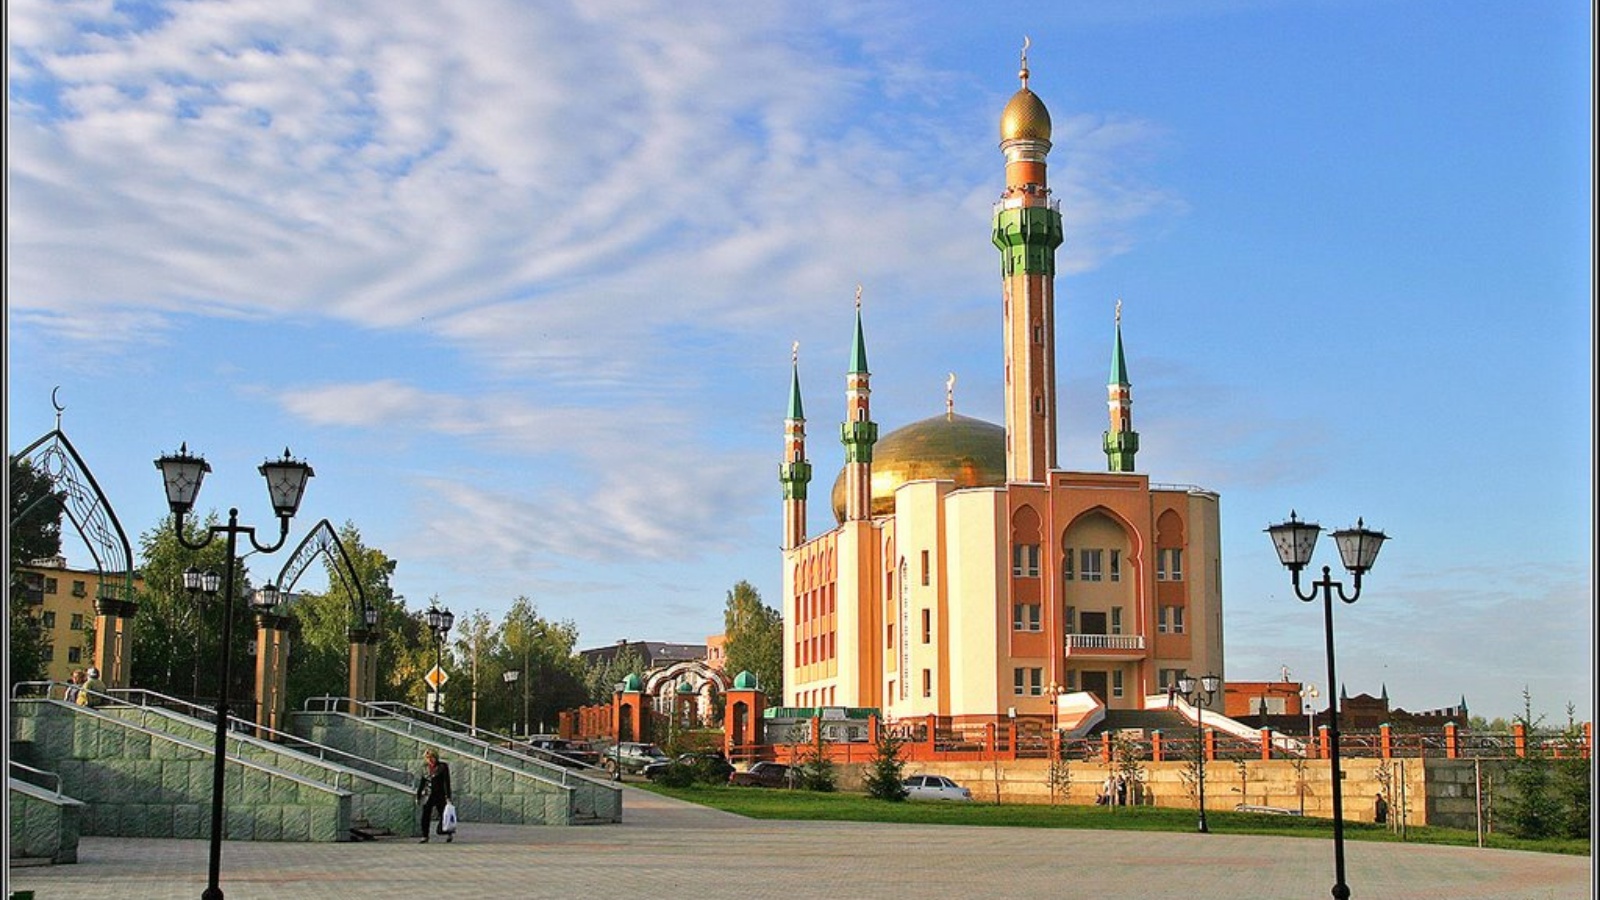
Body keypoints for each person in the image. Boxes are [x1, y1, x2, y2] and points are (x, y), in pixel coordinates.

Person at [415, 749, 453, 843]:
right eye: (428, 758)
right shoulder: (425, 767)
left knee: (444, 815)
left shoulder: (442, 766)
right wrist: (418, 795)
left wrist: (448, 796)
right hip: (428, 794)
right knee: (425, 816)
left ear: (436, 757)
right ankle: (425, 835)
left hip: (439, 794)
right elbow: (422, 782)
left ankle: (448, 833)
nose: (430, 760)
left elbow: (446, 782)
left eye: (432, 757)